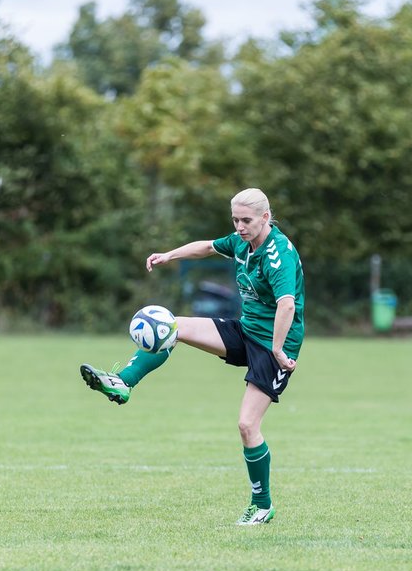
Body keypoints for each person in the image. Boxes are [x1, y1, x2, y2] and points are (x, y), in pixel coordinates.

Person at [79, 188, 305, 526]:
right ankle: (122, 383)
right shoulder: (243, 242)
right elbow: (208, 247)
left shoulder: (278, 256)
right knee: (171, 326)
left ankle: (262, 505)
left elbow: (287, 304)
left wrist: (276, 349)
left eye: (246, 221)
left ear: (265, 218)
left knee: (247, 425)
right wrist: (169, 255)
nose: (240, 227)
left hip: (276, 344)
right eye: (235, 220)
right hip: (247, 330)